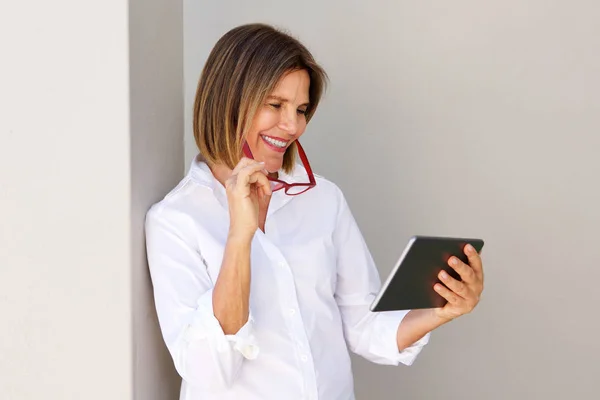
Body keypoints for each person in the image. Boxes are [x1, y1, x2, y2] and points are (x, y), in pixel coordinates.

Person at [145, 23, 485, 400]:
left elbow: (363, 324)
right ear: (229, 100)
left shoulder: (324, 199)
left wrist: (441, 311)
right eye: (275, 105)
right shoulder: (176, 220)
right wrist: (240, 237)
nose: (293, 126)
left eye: (301, 109)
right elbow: (209, 371)